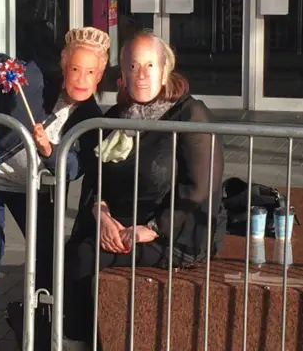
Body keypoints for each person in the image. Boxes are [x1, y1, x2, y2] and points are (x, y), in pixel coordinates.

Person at [0, 27, 110, 350]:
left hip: (32, 187)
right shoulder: (28, 77)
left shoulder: (91, 119)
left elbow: (76, 168)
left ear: (100, 75)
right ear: (63, 68)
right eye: (75, 69)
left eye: (90, 72)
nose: (81, 78)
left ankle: (42, 325)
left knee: (49, 251)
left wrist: (50, 151)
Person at [63, 31, 227, 347]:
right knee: (76, 250)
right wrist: (103, 214)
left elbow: (200, 188)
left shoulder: (190, 115)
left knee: (83, 256)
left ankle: (79, 341)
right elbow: (96, 181)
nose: (142, 75)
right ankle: (76, 339)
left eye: (150, 65)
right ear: (122, 75)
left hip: (174, 228)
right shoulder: (115, 117)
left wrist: (151, 228)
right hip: (122, 220)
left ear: (165, 69)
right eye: (133, 66)